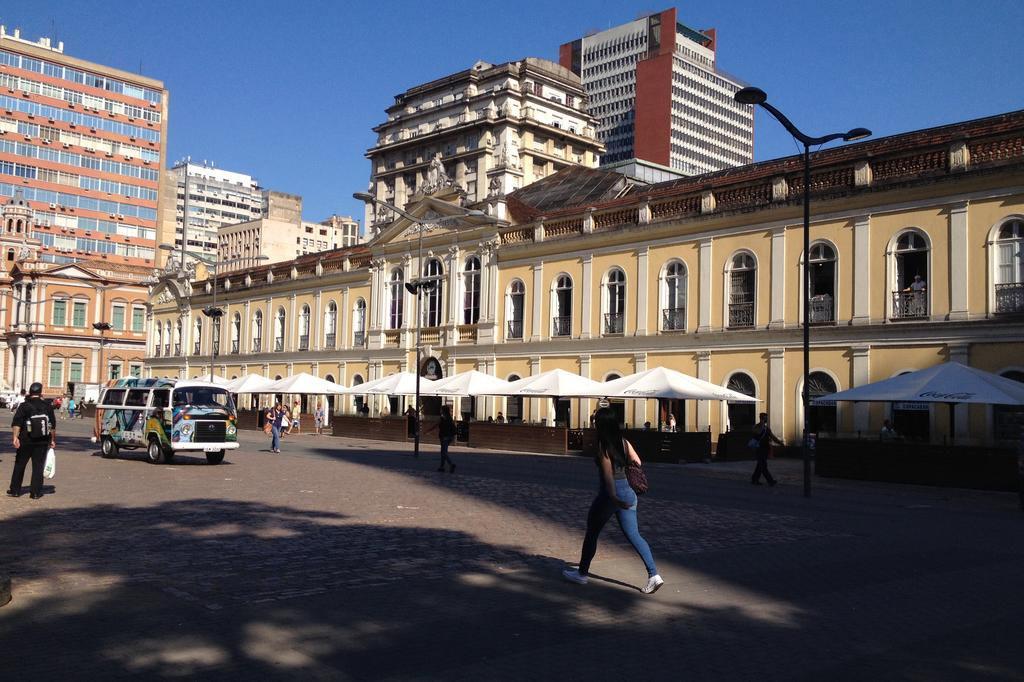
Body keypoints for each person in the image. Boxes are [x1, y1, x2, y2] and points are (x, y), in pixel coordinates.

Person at [562, 407, 663, 594]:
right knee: (634, 535)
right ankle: (654, 575)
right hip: (629, 492)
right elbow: (638, 462)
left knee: (592, 532)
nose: (593, 423)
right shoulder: (623, 442)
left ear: (601, 424)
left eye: (595, 421)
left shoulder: (603, 448)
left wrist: (615, 499)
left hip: (610, 495)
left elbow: (608, 479)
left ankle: (582, 574)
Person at [7, 382, 56, 499]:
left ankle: (15, 490)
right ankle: (35, 492)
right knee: (38, 466)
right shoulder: (47, 406)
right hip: (42, 440)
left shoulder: (24, 406)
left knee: (20, 464)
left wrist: (15, 437)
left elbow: (17, 423)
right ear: (40, 392)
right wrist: (52, 440)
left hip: (25, 439)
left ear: (30, 392)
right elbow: (52, 426)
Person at [750, 412, 783, 486]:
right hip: (758, 448)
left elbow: (772, 437)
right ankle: (770, 481)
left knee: (760, 465)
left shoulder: (767, 429)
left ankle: (754, 479)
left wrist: (780, 443)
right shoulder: (756, 427)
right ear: (761, 418)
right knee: (763, 466)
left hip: (765, 449)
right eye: (765, 418)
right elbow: (757, 432)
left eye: (766, 418)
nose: (766, 419)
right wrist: (761, 425)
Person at [428, 405, 457, 473]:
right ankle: (442, 467)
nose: (440, 410)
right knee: (443, 451)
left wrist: (428, 431)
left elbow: (435, 425)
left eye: (441, 409)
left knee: (444, 452)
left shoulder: (442, 418)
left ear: (443, 411)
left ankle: (451, 464)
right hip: (450, 437)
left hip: (444, 437)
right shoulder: (450, 418)